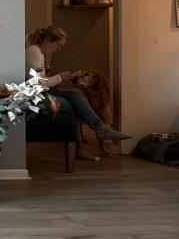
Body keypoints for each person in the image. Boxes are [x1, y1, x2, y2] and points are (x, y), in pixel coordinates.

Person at [25, 25, 130, 161]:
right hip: (34, 95)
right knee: (74, 98)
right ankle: (98, 128)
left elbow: (39, 79)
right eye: (59, 45)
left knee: (75, 93)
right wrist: (59, 78)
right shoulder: (34, 52)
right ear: (49, 40)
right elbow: (36, 83)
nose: (59, 49)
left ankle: (93, 134)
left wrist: (60, 78)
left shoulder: (37, 51)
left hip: (39, 91)